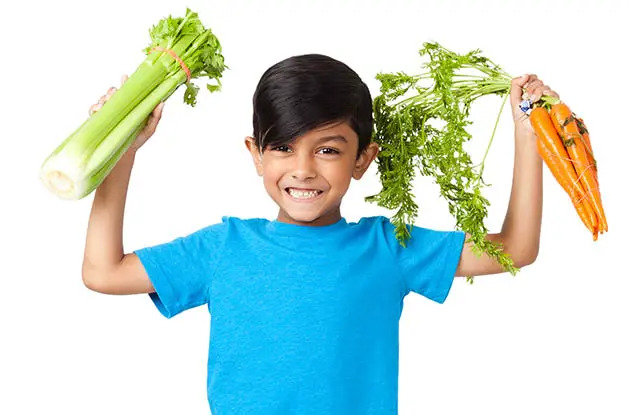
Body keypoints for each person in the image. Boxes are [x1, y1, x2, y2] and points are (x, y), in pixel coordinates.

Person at [82, 54, 557, 414]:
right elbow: (103, 272)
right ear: (256, 154)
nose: (303, 169)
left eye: (327, 149)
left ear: (363, 159)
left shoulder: (388, 249)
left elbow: (515, 248)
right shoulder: (224, 248)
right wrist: (121, 152)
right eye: (284, 146)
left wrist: (527, 132)